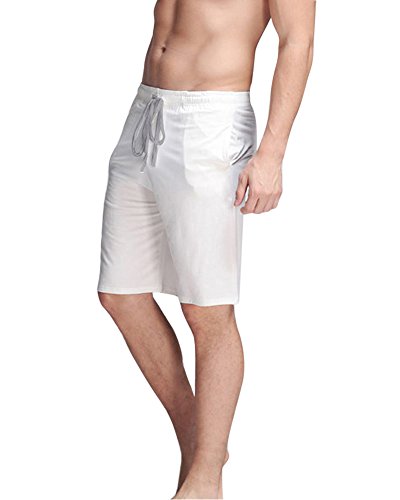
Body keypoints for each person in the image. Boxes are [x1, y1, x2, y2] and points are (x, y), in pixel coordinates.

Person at [97, 0, 316, 498]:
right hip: (146, 110)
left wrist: (272, 154)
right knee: (120, 294)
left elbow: (297, 41)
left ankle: (205, 479)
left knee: (207, 309)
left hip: (211, 121)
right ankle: (200, 443)